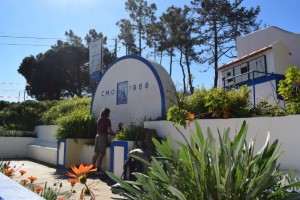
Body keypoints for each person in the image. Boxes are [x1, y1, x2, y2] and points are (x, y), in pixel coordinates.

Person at [92, 108, 115, 174]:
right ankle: (97, 169)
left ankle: (91, 168)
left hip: (97, 135)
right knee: (101, 153)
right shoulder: (107, 120)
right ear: (107, 113)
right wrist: (114, 134)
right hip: (103, 136)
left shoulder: (99, 119)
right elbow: (109, 131)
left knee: (96, 153)